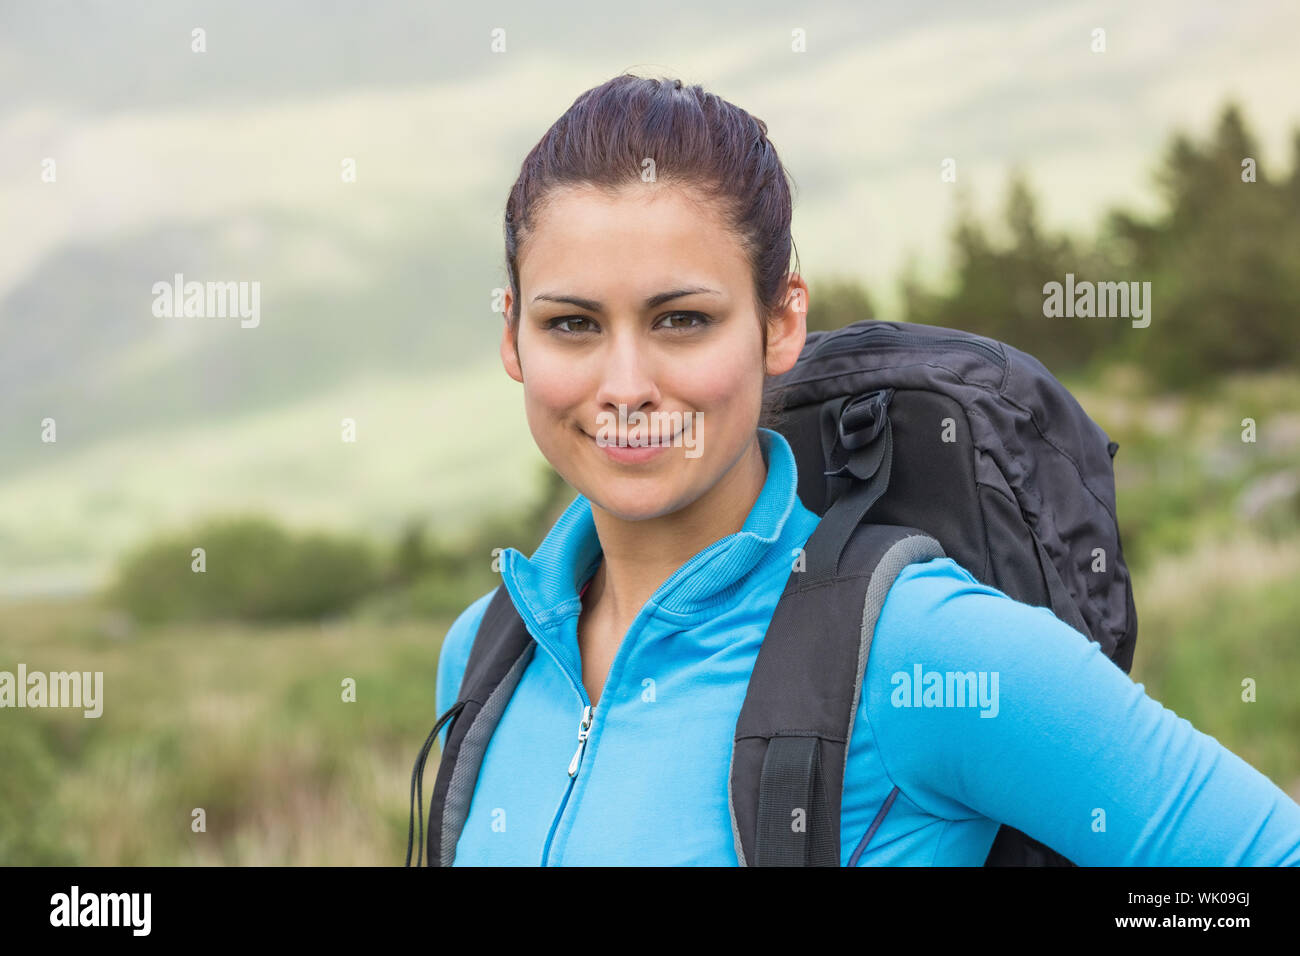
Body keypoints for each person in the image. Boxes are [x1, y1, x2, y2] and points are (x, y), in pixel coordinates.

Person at [433, 73, 1300, 865]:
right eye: (573, 325)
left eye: (682, 320)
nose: (625, 387)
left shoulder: (922, 647)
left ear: (779, 322)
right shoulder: (486, 651)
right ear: (512, 334)